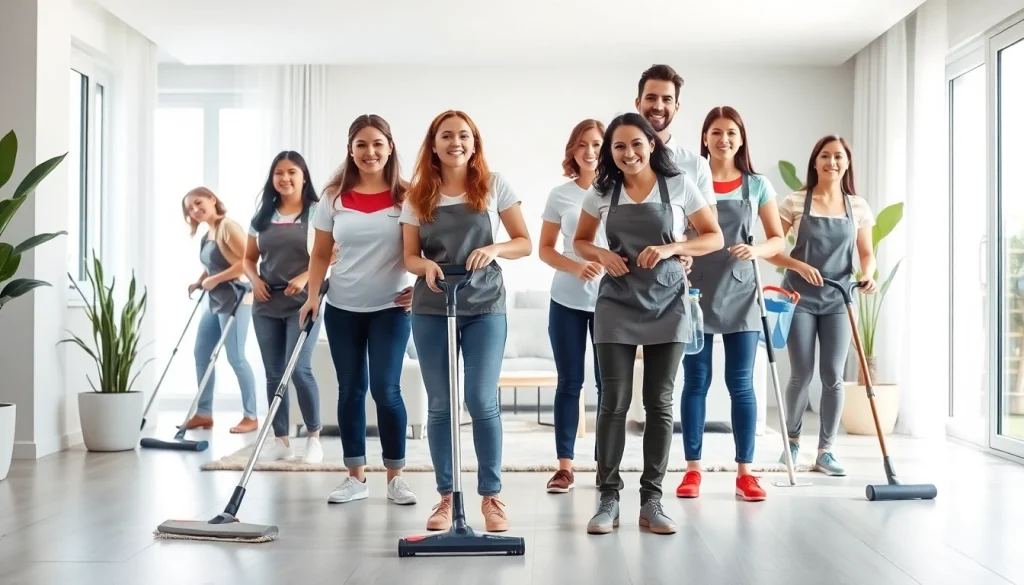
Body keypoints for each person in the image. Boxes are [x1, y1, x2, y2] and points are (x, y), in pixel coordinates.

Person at [574, 113, 723, 535]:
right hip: (616, 301)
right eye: (619, 146)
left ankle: (652, 500)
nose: (629, 153)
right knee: (613, 401)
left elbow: (714, 236)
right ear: (610, 152)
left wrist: (673, 247)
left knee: (659, 402)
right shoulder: (602, 189)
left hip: (667, 300)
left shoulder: (679, 184)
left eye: (636, 144)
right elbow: (580, 240)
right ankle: (608, 498)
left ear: (652, 145)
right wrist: (602, 255)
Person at [400, 110, 532, 533]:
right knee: (440, 403)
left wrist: (494, 249)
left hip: (484, 304)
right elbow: (409, 256)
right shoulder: (418, 194)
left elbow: (524, 242)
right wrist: (425, 266)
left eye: (463, 136)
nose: (455, 142)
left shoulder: (494, 184)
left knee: (480, 398)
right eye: (446, 136)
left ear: (474, 143)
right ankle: (446, 497)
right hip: (432, 306)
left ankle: (491, 497)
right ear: (433, 144)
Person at [299, 114, 417, 506]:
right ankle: (355, 477)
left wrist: (421, 288)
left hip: (390, 308)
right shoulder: (332, 197)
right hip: (343, 308)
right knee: (350, 389)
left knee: (386, 389)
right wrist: (312, 297)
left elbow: (427, 249)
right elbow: (319, 253)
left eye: (377, 143)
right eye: (361, 144)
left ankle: (395, 478)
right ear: (350, 150)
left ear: (390, 147)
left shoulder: (409, 196)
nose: (370, 152)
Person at [676, 107, 785, 502]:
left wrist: (756, 250)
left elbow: (778, 239)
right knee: (696, 382)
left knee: (741, 384)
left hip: (741, 294)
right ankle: (692, 470)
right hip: (695, 291)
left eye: (731, 133)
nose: (724, 140)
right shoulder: (689, 181)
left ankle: (745, 473)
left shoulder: (757, 185)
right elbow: (676, 230)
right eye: (716, 132)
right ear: (705, 138)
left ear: (741, 139)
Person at [764, 135, 877, 477]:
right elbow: (772, 249)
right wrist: (798, 266)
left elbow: (866, 254)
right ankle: (792, 442)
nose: (832, 162)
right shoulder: (795, 202)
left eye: (838, 156)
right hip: (798, 298)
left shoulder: (858, 206)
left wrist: (868, 275)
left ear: (847, 162)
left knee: (833, 377)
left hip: (839, 298)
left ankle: (826, 451)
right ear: (815, 162)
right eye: (825, 156)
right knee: (801, 373)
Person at [538, 118, 607, 493]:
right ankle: (564, 467)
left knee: (608, 385)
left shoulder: (620, 191)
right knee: (569, 382)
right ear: (572, 150)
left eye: (596, 143)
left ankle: (605, 465)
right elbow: (545, 250)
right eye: (582, 144)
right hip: (566, 299)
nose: (590, 151)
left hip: (611, 302)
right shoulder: (560, 195)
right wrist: (576, 267)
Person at [242, 151, 324, 464]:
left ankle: (313, 438)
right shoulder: (262, 215)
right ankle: (281, 440)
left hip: (304, 302)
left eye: (292, 172)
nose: (285, 178)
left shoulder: (317, 213)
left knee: (299, 369)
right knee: (274, 373)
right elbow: (248, 259)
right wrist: (254, 281)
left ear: (304, 177)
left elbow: (331, 255)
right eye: (279, 172)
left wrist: (305, 277)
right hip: (266, 303)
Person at [180, 187, 259, 434]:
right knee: (201, 353)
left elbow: (247, 262)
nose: (195, 210)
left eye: (198, 202)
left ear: (212, 199)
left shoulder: (228, 226)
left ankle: (251, 416)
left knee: (236, 357)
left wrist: (214, 280)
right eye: (190, 208)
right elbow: (213, 265)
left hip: (236, 300)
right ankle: (204, 413)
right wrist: (200, 280)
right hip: (215, 301)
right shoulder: (208, 234)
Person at [635, 64, 715, 208]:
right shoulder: (619, 161)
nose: (658, 106)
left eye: (667, 99)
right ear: (638, 103)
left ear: (676, 107)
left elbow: (709, 221)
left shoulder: (696, 166)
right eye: (651, 98)